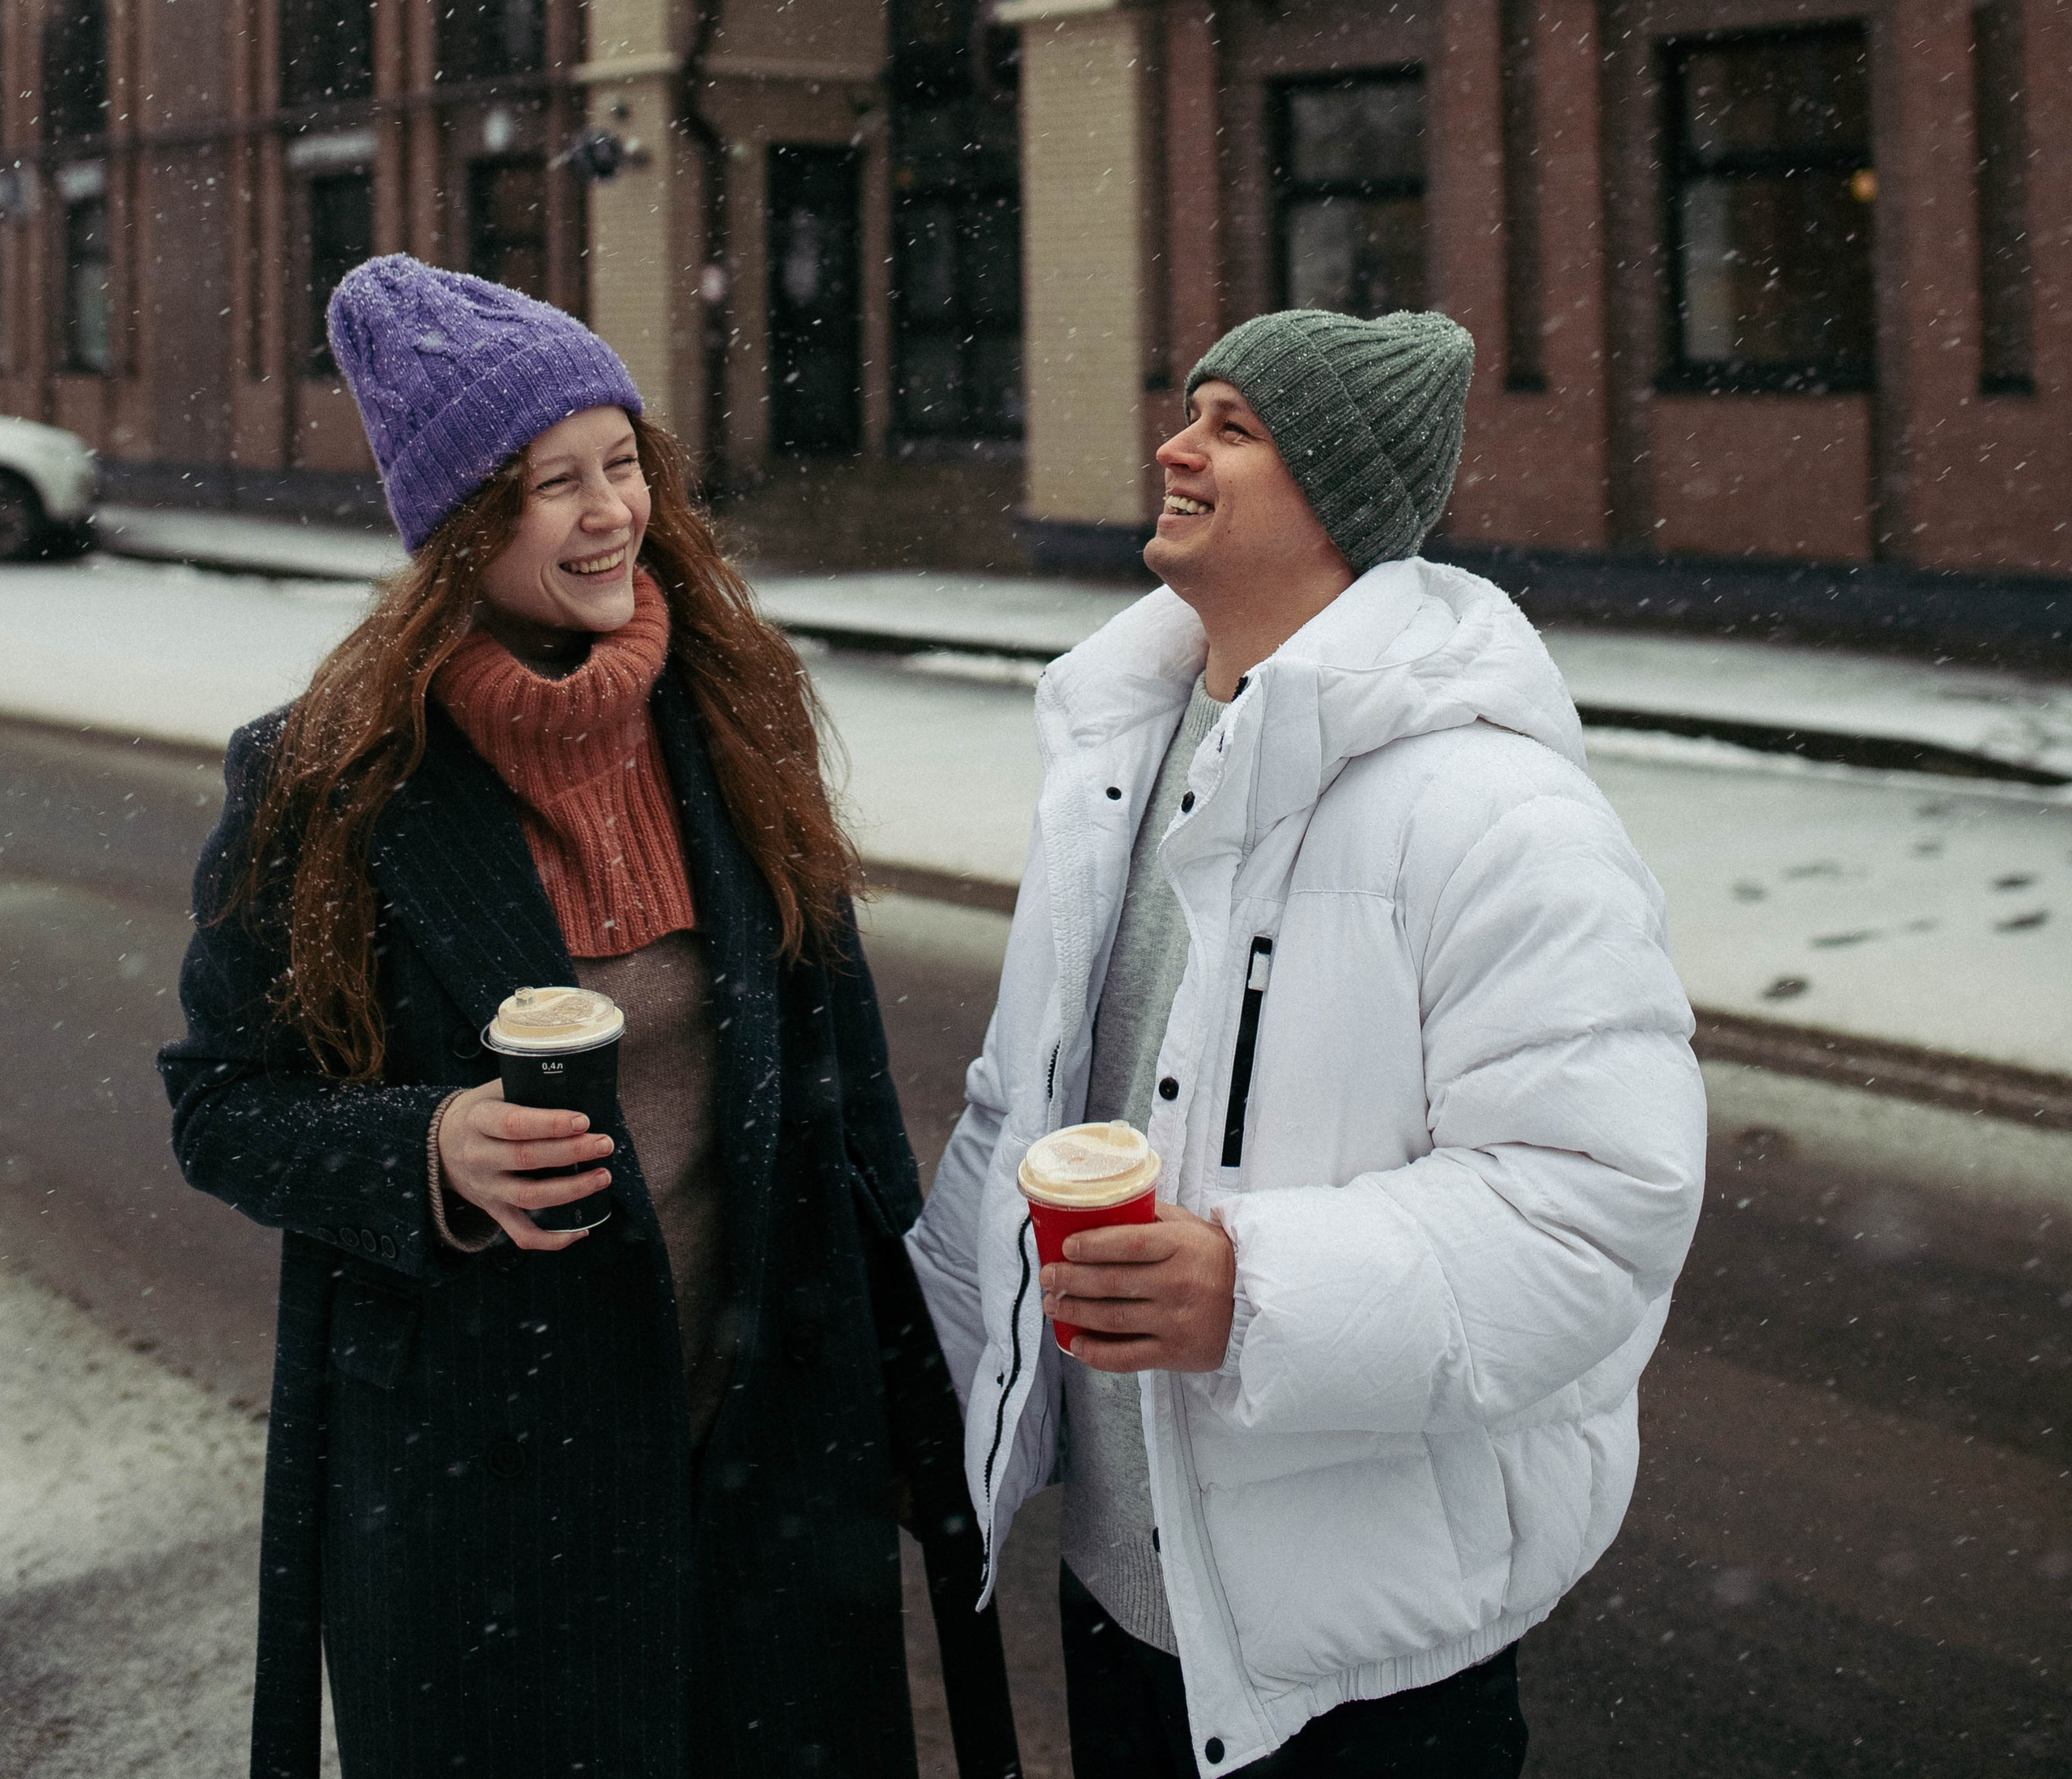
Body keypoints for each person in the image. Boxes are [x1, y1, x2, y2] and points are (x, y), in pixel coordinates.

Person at [162, 256, 990, 1779]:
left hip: (763, 1447)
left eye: (624, 465)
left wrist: (909, 1386)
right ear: (463, 528)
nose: (611, 513)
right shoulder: (329, 783)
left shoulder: (738, 712)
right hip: (484, 1483)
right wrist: (427, 1151)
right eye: (555, 485)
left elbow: (846, 1090)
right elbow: (221, 1104)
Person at [911, 307, 1709, 1777]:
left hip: (1363, 1668)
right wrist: (930, 1364)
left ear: (1335, 497)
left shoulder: (1495, 812)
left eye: (1232, 425)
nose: (1176, 445)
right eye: (1189, 410)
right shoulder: (1117, 767)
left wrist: (1253, 1291)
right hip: (1123, 1610)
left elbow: (1598, 1212)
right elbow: (1012, 1112)